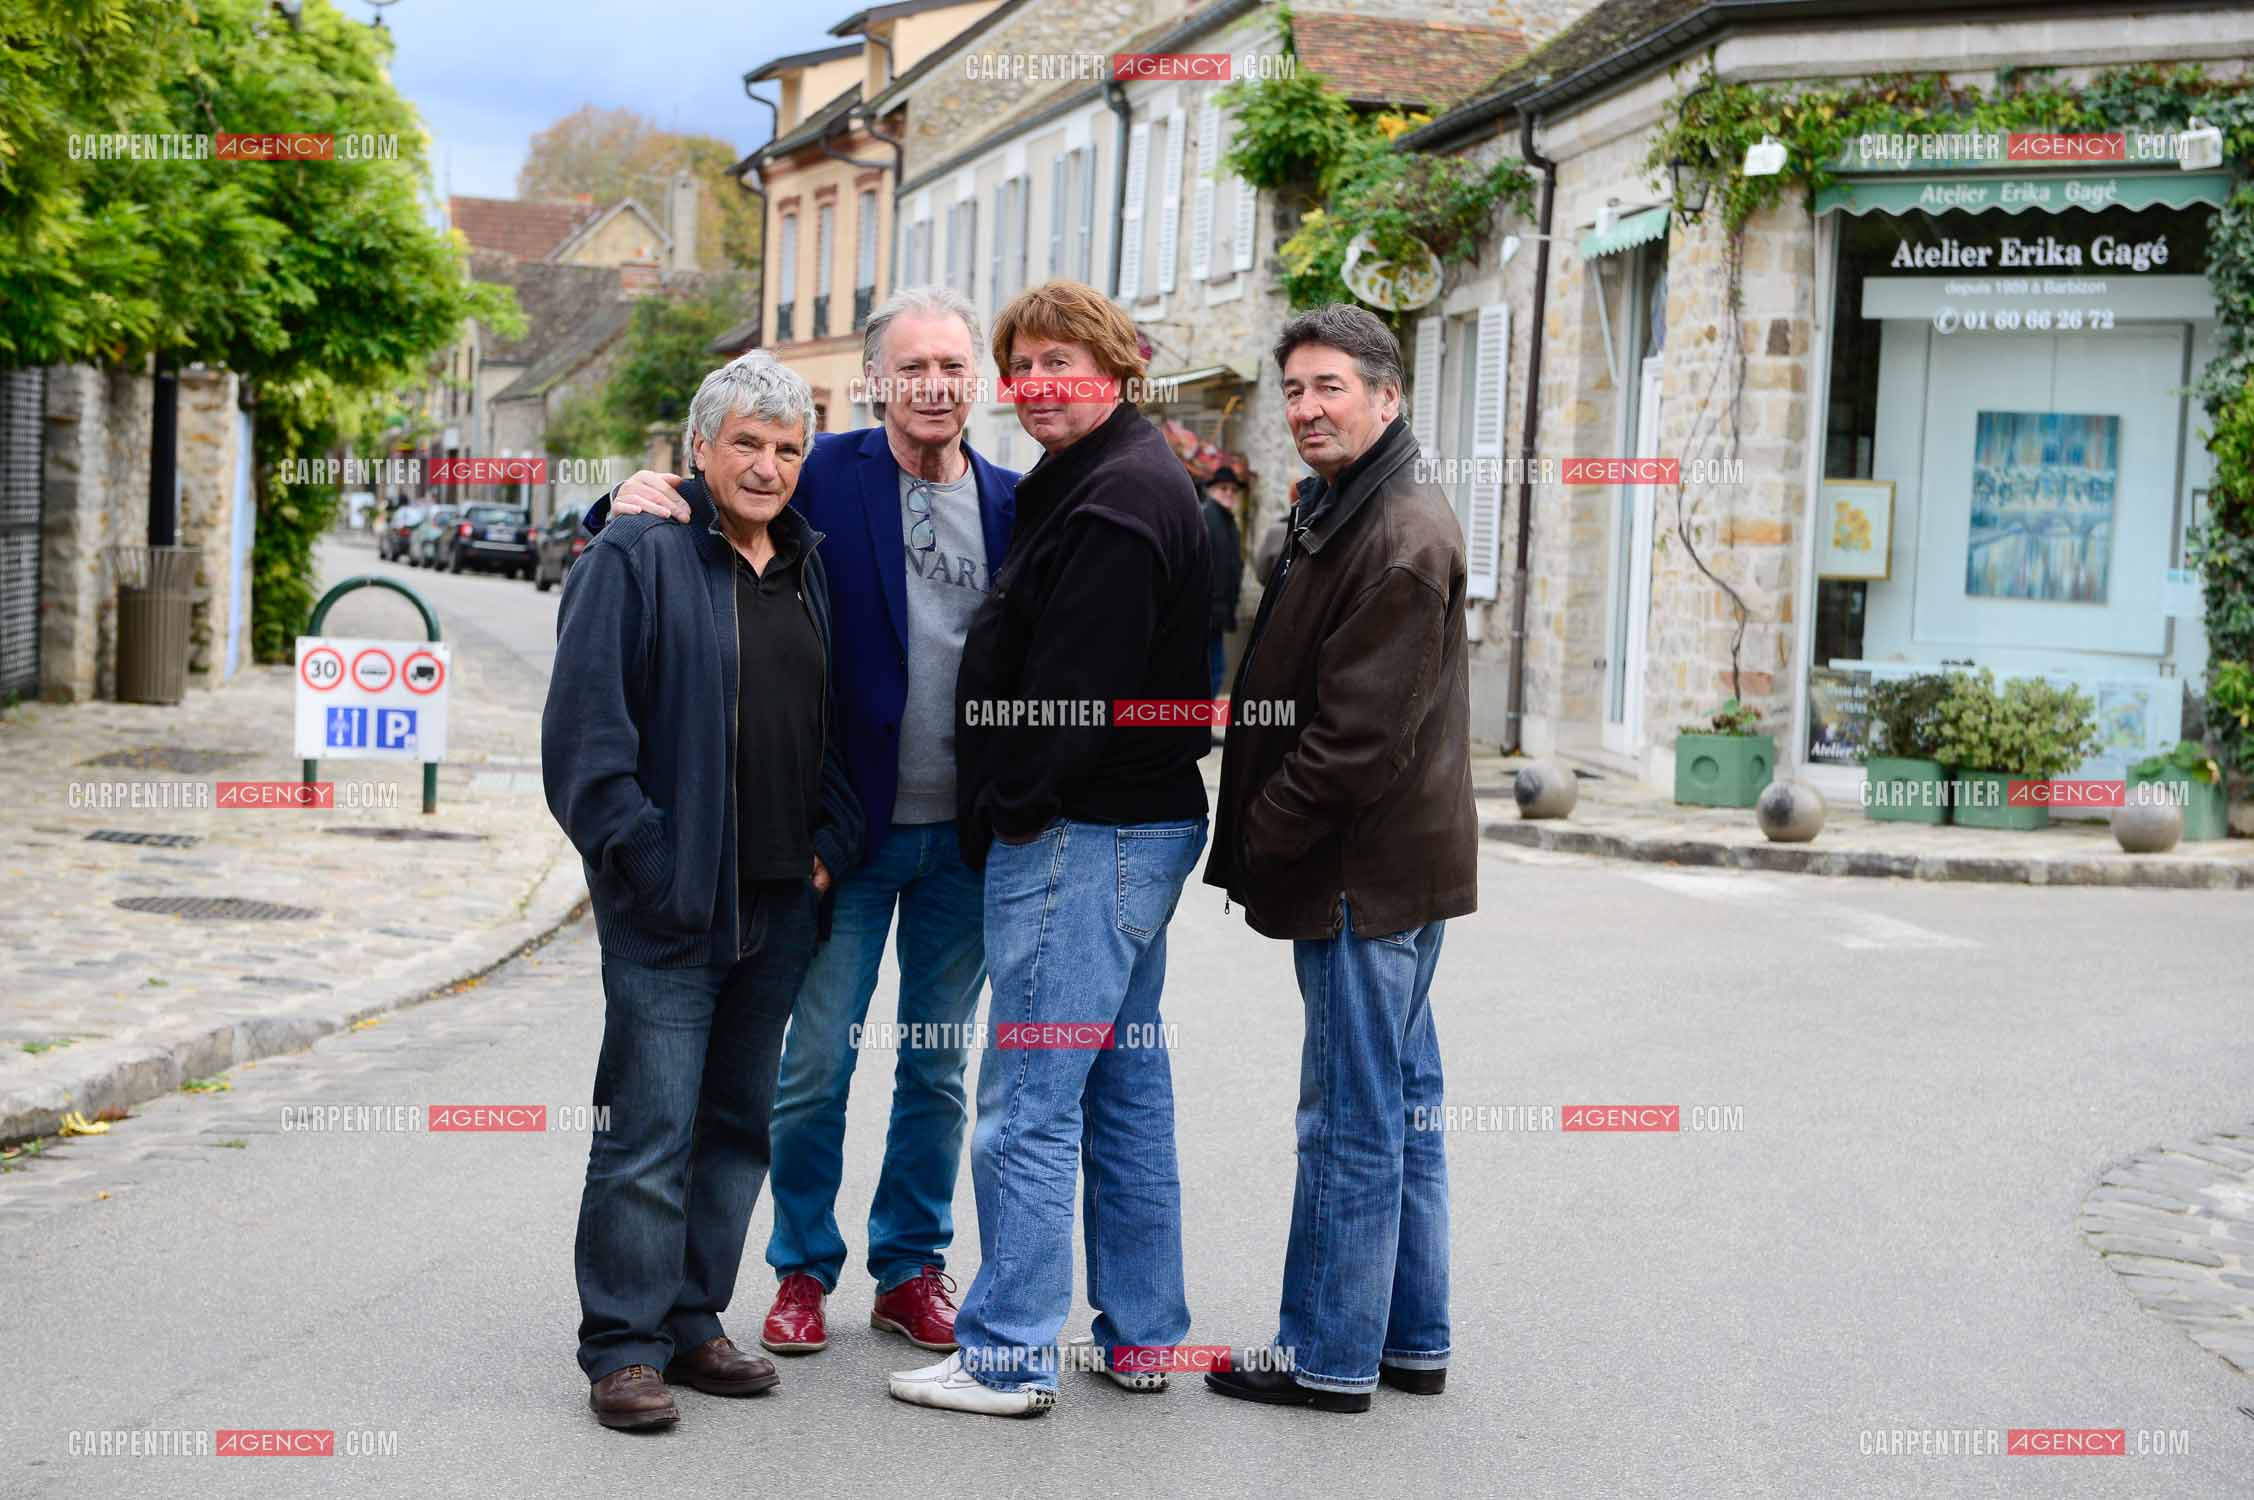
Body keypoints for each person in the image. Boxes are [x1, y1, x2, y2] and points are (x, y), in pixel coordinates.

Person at [590, 287, 1017, 1361]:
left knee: (935, 1067)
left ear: (976, 378)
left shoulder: (1016, 502)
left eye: (951, 365)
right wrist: (617, 501)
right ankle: (799, 1269)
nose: (933, 385)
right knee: (814, 1063)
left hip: (964, 840)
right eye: (911, 366)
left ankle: (910, 1268)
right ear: (874, 382)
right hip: (855, 838)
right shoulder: (821, 469)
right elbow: (711, 487)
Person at [888, 280, 1211, 1418]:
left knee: (1028, 1103)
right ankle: (1143, 1336)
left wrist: (1009, 808)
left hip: (1085, 835)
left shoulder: (1116, 500)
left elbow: (1075, 696)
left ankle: (1007, 1355)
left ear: (1117, 370)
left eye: (1058, 363)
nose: (1034, 385)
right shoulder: (1110, 475)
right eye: (1020, 366)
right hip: (1130, 829)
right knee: (1122, 1092)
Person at [543, 351, 864, 1431]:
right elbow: (584, 743)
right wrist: (647, 862)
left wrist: (830, 845)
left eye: (788, 449)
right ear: (699, 449)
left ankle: (691, 1320)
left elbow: (828, 723)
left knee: (734, 1127)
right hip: (670, 906)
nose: (768, 467)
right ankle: (623, 1347)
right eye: (747, 445)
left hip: (780, 902)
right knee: (646, 1131)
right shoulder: (634, 554)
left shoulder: (806, 562)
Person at [1201, 304, 1475, 1414]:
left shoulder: (1398, 532)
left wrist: (1262, 830)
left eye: (1331, 388)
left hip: (1360, 873)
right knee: (1400, 1106)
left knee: (1349, 1119)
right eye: (1295, 390)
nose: (1308, 409)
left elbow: (1357, 741)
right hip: (1392, 867)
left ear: (1387, 396)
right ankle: (1408, 1339)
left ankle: (1325, 1355)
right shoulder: (1347, 506)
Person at [1200, 466, 1245, 697]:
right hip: (1205, 613)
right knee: (1211, 672)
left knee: (1215, 671)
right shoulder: (1207, 517)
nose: (1229, 493)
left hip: (1216, 613)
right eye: (1223, 488)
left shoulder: (1227, 521)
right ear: (1211, 490)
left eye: (1233, 489)